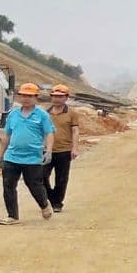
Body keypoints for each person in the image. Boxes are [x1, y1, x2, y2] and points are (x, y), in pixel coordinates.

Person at [0, 82, 54, 225]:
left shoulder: (42, 115)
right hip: (12, 157)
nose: (26, 98)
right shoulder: (13, 114)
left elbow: (49, 133)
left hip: (32, 158)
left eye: (29, 96)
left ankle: (44, 204)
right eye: (23, 95)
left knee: (34, 185)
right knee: (8, 185)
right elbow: (7, 136)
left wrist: (49, 151)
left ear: (35, 97)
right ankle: (12, 216)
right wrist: (1, 155)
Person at [43, 84, 80, 213]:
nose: (56, 99)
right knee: (41, 177)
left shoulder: (72, 114)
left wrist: (75, 148)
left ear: (66, 98)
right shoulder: (44, 113)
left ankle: (57, 203)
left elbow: (75, 131)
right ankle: (52, 198)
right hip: (46, 150)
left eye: (60, 96)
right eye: (54, 96)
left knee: (61, 178)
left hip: (64, 150)